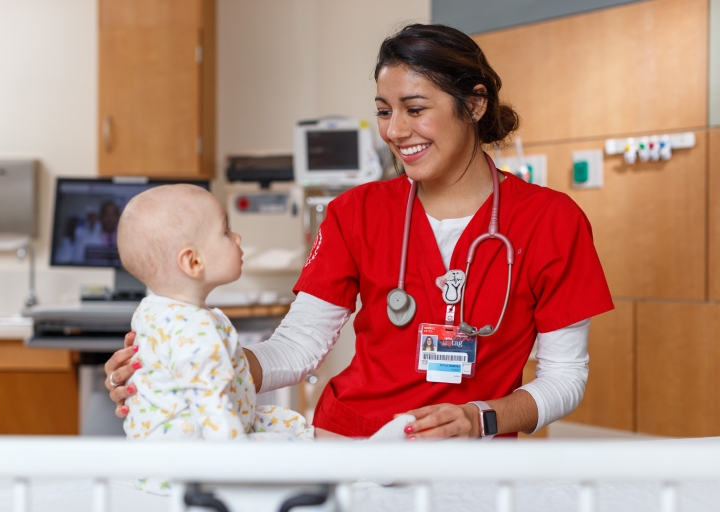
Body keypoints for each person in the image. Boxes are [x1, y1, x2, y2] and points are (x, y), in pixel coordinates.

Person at [106, 24, 613, 440]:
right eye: (384, 111)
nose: (394, 130)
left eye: (415, 110)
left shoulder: (551, 220)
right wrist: (186, 370)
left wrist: (482, 417)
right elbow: (298, 347)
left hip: (468, 455)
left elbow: (565, 379)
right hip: (349, 441)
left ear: (475, 105)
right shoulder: (356, 213)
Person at [115, 184, 313, 493]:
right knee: (290, 447)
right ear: (193, 262)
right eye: (226, 231)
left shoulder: (152, 310)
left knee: (289, 424)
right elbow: (210, 401)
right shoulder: (196, 329)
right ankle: (364, 462)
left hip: (158, 458)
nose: (237, 238)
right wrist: (235, 462)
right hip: (189, 460)